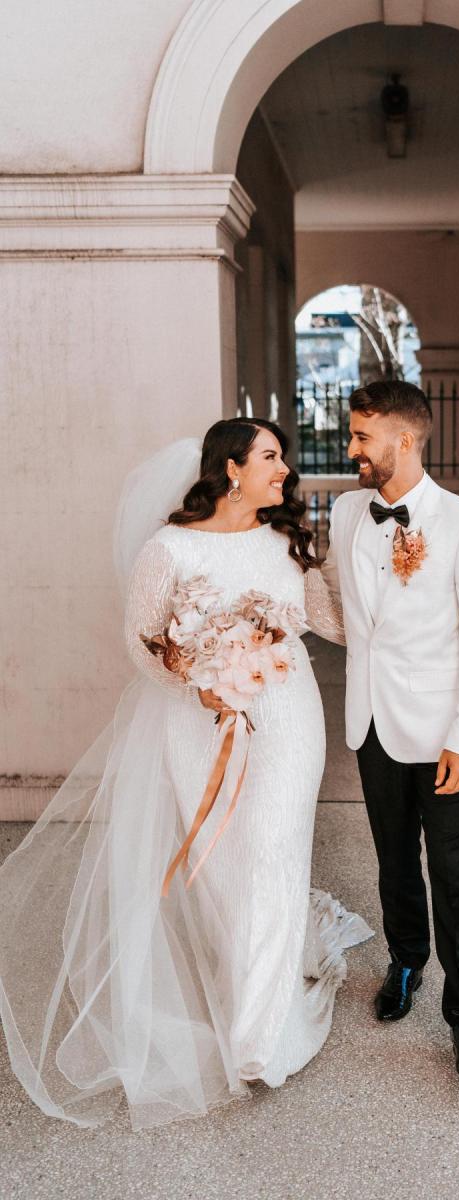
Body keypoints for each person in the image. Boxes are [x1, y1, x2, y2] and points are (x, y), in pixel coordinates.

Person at [0, 418, 372, 1130]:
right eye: (271, 459)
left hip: (287, 716)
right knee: (222, 862)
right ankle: (245, 982)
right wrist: (196, 679)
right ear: (230, 469)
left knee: (269, 848)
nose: (284, 472)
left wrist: (358, 562)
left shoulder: (288, 543)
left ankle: (261, 1040)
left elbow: (337, 624)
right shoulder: (167, 549)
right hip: (195, 721)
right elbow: (143, 642)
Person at [321, 380, 459, 1077]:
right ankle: (405, 964)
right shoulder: (344, 514)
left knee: (456, 876)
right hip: (371, 724)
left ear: (403, 440)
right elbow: (341, 605)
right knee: (394, 861)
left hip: (442, 733)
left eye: (362, 436)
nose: (351, 449)